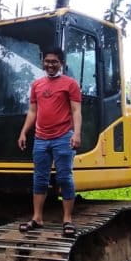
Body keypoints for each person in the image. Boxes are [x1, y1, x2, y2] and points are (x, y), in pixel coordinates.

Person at [17, 47, 82, 238]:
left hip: (63, 137)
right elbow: (32, 112)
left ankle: (67, 219)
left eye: (54, 61)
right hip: (40, 138)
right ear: (43, 62)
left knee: (64, 177)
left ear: (61, 63)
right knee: (40, 178)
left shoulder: (70, 84)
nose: (50, 64)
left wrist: (76, 134)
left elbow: (76, 111)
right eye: (47, 61)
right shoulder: (37, 85)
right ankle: (37, 218)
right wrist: (23, 133)